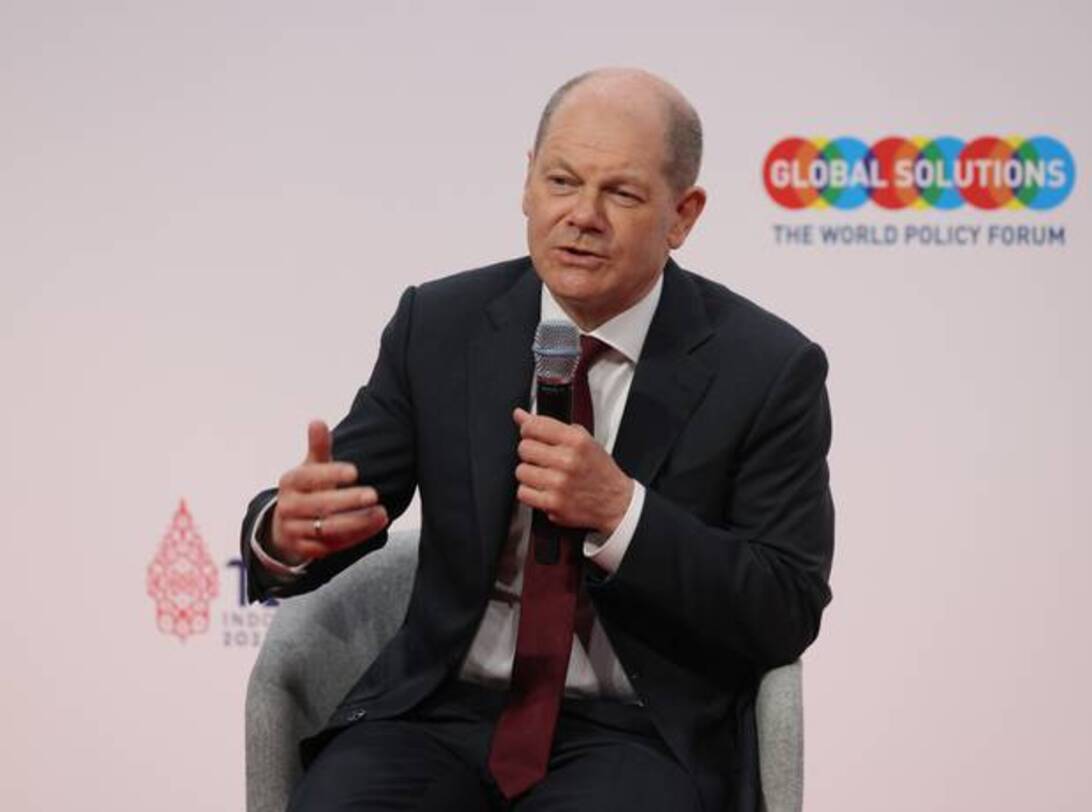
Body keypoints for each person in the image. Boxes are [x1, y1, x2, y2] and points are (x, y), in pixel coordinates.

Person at [240, 67, 834, 811]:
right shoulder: (442, 324)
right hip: (437, 714)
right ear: (527, 184)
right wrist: (287, 534)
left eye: (621, 193)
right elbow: (345, 500)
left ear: (683, 215)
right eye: (561, 181)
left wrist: (623, 514)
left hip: (637, 730)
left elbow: (786, 602)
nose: (581, 216)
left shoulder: (768, 369)